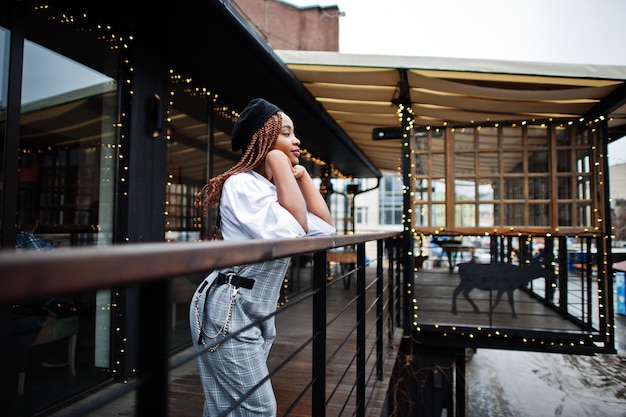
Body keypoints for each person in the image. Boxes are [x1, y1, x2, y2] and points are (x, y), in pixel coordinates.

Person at [189, 98, 335, 416]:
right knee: (259, 408)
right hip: (227, 311)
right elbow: (293, 233)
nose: (296, 140)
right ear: (264, 138)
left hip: (254, 310)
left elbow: (324, 234)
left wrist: (303, 177)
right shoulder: (242, 185)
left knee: (224, 407)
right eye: (286, 133)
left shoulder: (271, 190)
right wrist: (280, 164)